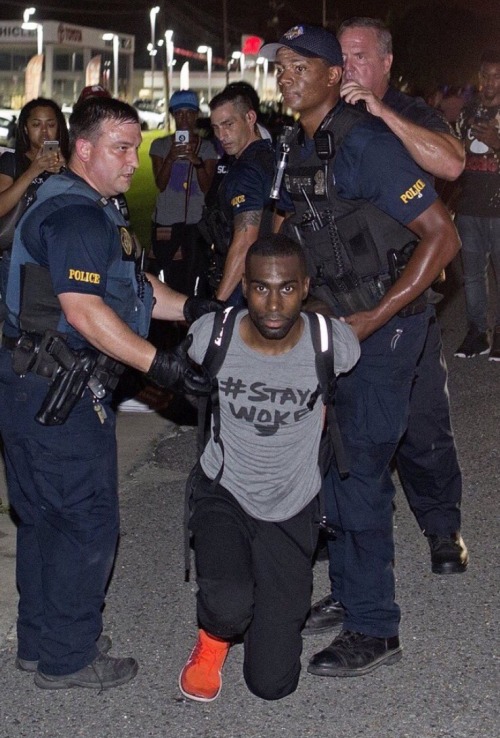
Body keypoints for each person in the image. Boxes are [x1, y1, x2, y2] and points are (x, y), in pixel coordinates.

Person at [259, 24, 461, 677]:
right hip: (337, 324)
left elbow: (442, 237)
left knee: (362, 466)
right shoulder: (301, 147)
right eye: (280, 66)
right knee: (334, 463)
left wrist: (375, 315)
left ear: (330, 77)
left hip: (388, 323)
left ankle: (376, 627)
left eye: (301, 65)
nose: (287, 75)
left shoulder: (366, 141)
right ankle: (349, 593)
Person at [0, 97, 216, 690]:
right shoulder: (74, 216)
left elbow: (131, 285)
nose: (133, 160)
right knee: (84, 521)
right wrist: (163, 367)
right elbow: (85, 310)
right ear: (84, 148)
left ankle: (43, 641)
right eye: (120, 149)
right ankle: (69, 659)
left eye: (135, 146)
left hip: (33, 384)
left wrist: (194, 308)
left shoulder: (93, 205)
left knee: (44, 517)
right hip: (57, 390)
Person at [179, 234, 360, 702]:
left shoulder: (332, 345)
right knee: (228, 604)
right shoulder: (211, 337)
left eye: (286, 288)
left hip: (292, 503)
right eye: (261, 288)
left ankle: (262, 610)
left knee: (272, 684)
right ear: (244, 286)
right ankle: (212, 640)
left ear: (304, 287)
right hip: (225, 490)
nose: (273, 303)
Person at [205, 87, 276, 304]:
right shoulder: (271, 154)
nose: (221, 136)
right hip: (269, 274)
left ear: (250, 117)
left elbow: (245, 241)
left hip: (246, 282)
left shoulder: (246, 170)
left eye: (228, 124)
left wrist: (218, 302)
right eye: (216, 128)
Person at [0, 98, 69, 316]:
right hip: (18, 256)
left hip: (59, 252)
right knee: (18, 318)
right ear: (25, 129)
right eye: (36, 124)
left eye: (51, 124)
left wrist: (67, 172)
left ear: (59, 127)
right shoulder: (11, 161)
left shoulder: (70, 164)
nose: (45, 132)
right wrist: (33, 171)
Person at [453, 49, 500, 361]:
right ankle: (476, 332)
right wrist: (462, 147)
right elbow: (452, 157)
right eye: (485, 75)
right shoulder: (466, 113)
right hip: (469, 204)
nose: (490, 82)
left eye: (497, 76)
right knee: (472, 274)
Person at [149, 89, 217, 296]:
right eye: (179, 113)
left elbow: (207, 188)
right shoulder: (160, 145)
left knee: (195, 274)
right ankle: (167, 323)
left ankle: (190, 317)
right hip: (167, 222)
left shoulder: (207, 148)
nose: (184, 119)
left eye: (189, 113)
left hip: (196, 223)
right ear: (173, 115)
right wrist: (171, 158)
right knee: (167, 274)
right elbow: (160, 184)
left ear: (197, 115)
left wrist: (197, 163)